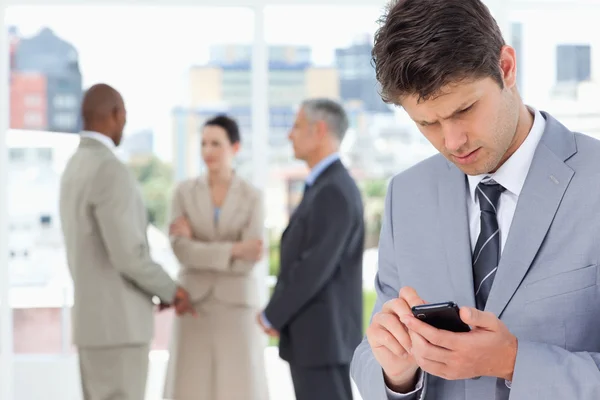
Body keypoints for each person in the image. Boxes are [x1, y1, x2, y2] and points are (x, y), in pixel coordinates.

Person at [351, 0, 600, 399]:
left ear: (506, 68)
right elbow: (370, 352)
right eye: (427, 123)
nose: (452, 142)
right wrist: (397, 376)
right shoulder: (406, 195)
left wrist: (514, 361)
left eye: (465, 109)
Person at [59, 83, 195, 400]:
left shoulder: (74, 167)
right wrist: (170, 290)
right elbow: (128, 255)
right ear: (115, 114)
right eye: (124, 116)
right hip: (118, 327)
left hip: (92, 326)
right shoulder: (109, 169)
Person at [259, 99, 365, 400]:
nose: (289, 135)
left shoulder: (333, 190)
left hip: (323, 340)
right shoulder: (325, 186)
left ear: (319, 130)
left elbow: (312, 267)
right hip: (317, 340)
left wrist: (272, 315)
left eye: (296, 126)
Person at [163, 115, 269, 400]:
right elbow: (180, 250)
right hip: (193, 303)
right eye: (203, 144)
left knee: (239, 388)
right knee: (189, 387)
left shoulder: (252, 196)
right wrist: (234, 249)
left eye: (216, 144)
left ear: (235, 148)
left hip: (236, 305)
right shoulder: (182, 193)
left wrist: (199, 245)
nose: (207, 151)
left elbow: (252, 257)